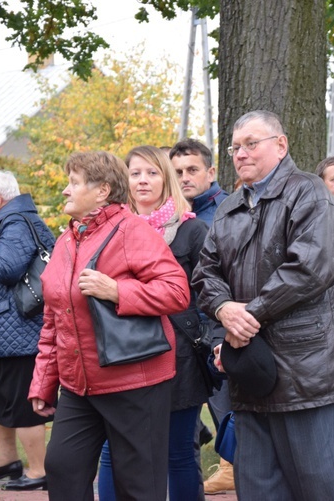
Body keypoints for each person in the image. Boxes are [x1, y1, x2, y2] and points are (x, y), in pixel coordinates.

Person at [192, 110, 334, 500]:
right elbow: (205, 272)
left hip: (307, 370)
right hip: (251, 370)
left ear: (280, 145)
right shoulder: (231, 207)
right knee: (258, 488)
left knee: (323, 488)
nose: (241, 153)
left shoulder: (309, 192)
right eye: (235, 147)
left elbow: (310, 268)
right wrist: (223, 310)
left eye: (252, 144)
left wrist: (246, 314)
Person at [28, 151, 190, 500]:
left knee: (138, 486)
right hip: (79, 385)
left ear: (102, 191)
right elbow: (53, 320)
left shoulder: (132, 231)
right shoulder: (65, 241)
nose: (66, 191)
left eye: (73, 183)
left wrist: (118, 291)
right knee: (62, 468)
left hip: (135, 383)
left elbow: (177, 291)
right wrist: (43, 382)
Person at [97, 145, 212, 501]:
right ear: (125, 180)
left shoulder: (193, 232)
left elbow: (209, 293)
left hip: (179, 355)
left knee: (178, 452)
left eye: (152, 172)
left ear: (167, 178)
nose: (143, 180)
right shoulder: (109, 230)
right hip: (121, 351)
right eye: (135, 173)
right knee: (112, 451)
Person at [0, 171, 55, 491]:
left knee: (23, 402)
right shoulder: (12, 221)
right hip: (10, 329)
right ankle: (7, 460)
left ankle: (38, 470)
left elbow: (8, 269)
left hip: (22, 330)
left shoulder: (16, 223)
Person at [169, 138, 232, 494]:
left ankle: (237, 471)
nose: (184, 178)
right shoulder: (167, 218)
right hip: (179, 339)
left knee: (228, 416)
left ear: (210, 172)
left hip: (215, 333)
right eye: (176, 172)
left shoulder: (227, 211)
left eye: (192, 170)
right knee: (184, 436)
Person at [170, 138, 229, 226]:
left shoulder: (229, 210)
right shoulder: (165, 212)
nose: (185, 178)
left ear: (210, 174)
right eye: (179, 173)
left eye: (192, 170)